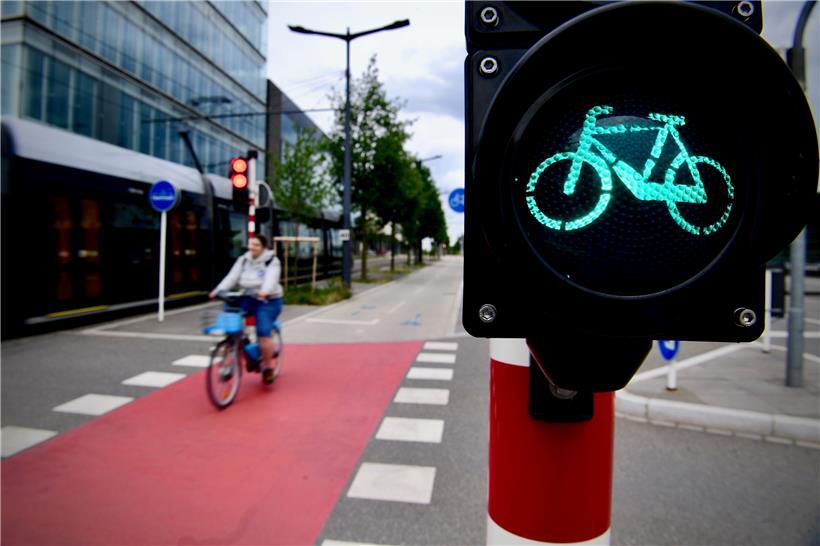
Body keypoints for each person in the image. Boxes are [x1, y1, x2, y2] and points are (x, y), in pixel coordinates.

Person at [209, 234, 283, 384]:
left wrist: (265, 291)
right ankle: (234, 347)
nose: (252, 247)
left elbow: (271, 279)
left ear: (263, 247)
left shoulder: (272, 261)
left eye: (256, 245)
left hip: (268, 300)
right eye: (251, 244)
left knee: (263, 333)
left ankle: (268, 368)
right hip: (248, 297)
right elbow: (232, 277)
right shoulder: (243, 260)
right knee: (231, 320)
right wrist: (218, 290)